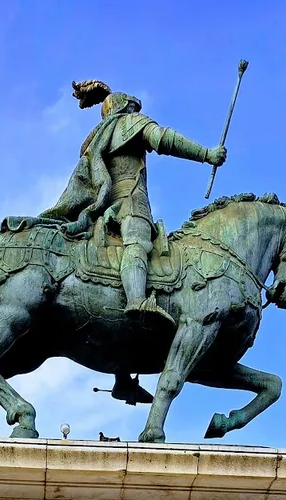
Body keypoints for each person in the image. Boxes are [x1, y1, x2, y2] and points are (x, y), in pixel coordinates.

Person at [39, 79, 226, 328]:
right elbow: (164, 139)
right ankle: (137, 299)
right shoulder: (129, 124)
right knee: (137, 240)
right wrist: (206, 154)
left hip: (102, 205)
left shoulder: (97, 139)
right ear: (125, 107)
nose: (137, 112)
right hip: (129, 200)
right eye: (133, 107)